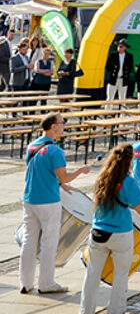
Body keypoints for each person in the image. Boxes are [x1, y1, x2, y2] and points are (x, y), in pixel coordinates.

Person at [79, 143, 140, 314]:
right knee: (120, 275)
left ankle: (85, 311)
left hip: (98, 231)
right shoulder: (129, 182)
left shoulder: (102, 178)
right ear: (130, 160)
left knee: (92, 273)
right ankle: (115, 313)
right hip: (120, 233)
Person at [20, 112, 86, 296]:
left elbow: (42, 172)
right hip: (48, 201)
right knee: (49, 243)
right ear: (53, 127)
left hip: (29, 198)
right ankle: (46, 282)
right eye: (62, 122)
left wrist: (62, 185)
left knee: (29, 240)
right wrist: (81, 170)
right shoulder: (55, 151)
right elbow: (63, 176)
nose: (64, 125)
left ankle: (25, 282)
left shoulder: (32, 146)